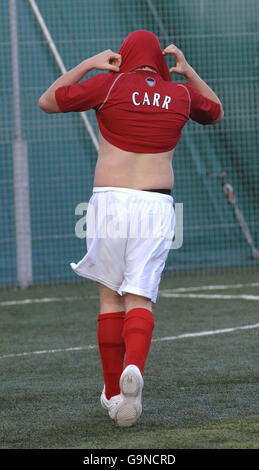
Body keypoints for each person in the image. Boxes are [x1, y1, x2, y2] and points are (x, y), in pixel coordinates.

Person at [38, 30, 224, 427]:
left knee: (110, 301)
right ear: (159, 59)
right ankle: (134, 369)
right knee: (139, 300)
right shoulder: (180, 95)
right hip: (156, 204)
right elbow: (217, 110)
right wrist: (187, 71)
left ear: (123, 56)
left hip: (109, 203)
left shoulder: (109, 83)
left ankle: (112, 393)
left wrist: (89, 63)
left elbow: (47, 101)